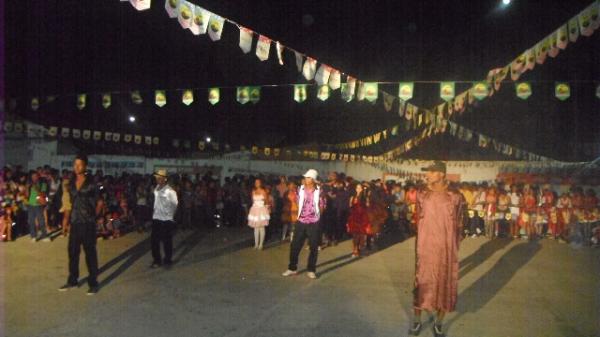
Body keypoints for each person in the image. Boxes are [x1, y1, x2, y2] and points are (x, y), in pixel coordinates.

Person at [410, 161, 465, 337]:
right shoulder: (422, 193)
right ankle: (417, 322)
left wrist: (453, 244)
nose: (427, 175)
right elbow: (418, 217)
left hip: (446, 248)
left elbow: (460, 222)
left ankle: (439, 323)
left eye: (431, 172)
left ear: (441, 174)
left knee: (445, 284)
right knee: (422, 282)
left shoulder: (455, 196)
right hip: (425, 247)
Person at [59, 154, 100, 295]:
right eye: (75, 164)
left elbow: (100, 202)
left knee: (90, 253)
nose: (76, 167)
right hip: (75, 222)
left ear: (85, 166)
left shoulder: (92, 182)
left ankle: (93, 282)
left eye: (79, 164)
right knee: (72, 252)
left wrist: (95, 217)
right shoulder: (70, 183)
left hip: (88, 223)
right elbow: (69, 205)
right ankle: (72, 280)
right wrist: (66, 222)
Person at [282, 169, 326, 280]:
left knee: (313, 247)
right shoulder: (300, 189)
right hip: (301, 221)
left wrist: (317, 218)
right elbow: (297, 201)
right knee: (295, 245)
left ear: (313, 180)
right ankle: (292, 268)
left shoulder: (319, 191)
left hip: (314, 222)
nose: (306, 179)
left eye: (308, 177)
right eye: (306, 177)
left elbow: (322, 205)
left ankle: (311, 270)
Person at [150, 169, 178, 268]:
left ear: (165, 179)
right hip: (156, 217)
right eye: (157, 178)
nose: (158, 179)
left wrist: (171, 217)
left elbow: (175, 204)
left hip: (166, 219)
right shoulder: (156, 188)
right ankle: (157, 260)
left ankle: (167, 260)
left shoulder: (170, 191)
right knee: (154, 241)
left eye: (160, 178)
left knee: (167, 241)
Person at [247, 178, 271, 250]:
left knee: (261, 227)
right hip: (255, 210)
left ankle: (261, 244)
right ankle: (256, 244)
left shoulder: (263, 191)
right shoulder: (253, 191)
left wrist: (267, 209)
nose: (257, 183)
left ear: (261, 183)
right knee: (256, 228)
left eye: (258, 182)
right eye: (256, 182)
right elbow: (252, 201)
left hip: (261, 210)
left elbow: (267, 201)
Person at [346, 183, 369, 257]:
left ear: (362, 189)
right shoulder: (352, 197)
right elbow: (350, 207)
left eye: (360, 188)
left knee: (361, 235)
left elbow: (367, 208)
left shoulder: (365, 198)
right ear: (355, 189)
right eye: (357, 188)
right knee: (355, 234)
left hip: (363, 218)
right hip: (354, 217)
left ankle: (359, 249)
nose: (358, 189)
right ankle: (355, 249)